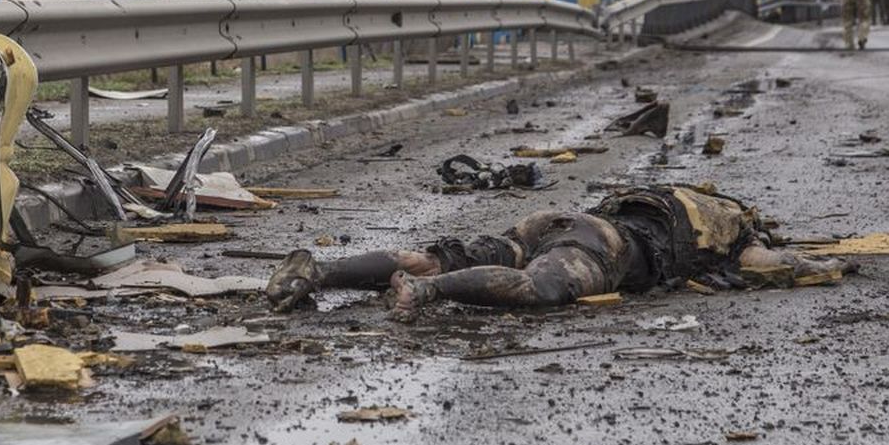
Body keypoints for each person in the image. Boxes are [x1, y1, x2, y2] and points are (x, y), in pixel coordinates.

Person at [264, 185, 847, 321]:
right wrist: (826, 266)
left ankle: (318, 270)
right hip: (608, 245)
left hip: (562, 219)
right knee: (542, 288)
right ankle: (425, 293)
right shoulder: (738, 232)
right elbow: (780, 267)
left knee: (436, 253)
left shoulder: (689, 196)